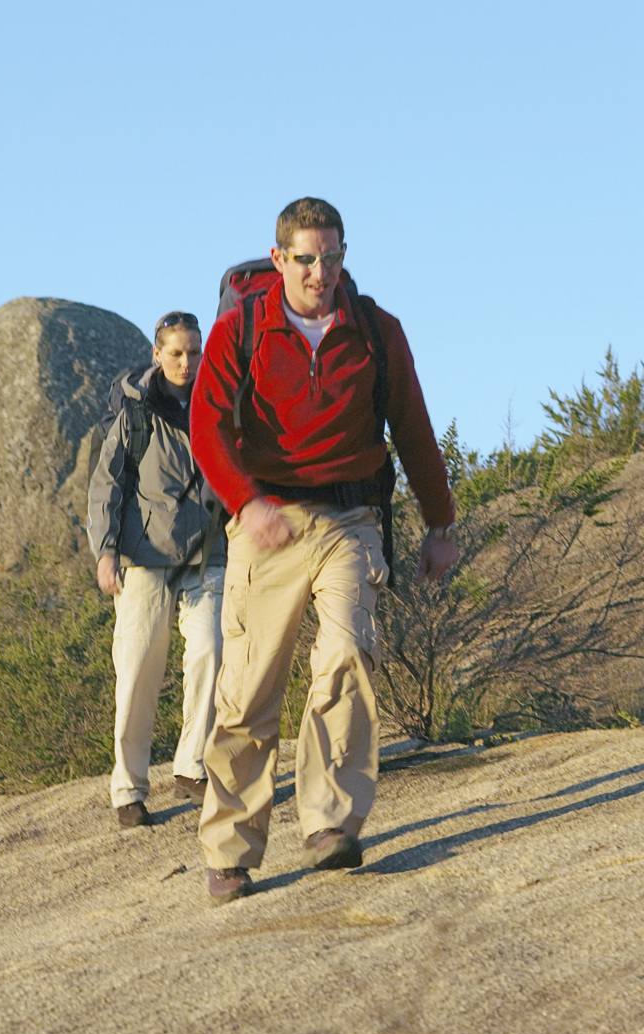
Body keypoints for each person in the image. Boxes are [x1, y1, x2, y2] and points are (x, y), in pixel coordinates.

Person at [190, 197, 459, 902]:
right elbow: (208, 428)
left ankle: (331, 825)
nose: (321, 271)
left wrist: (441, 523)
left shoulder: (375, 331)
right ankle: (230, 850)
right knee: (249, 691)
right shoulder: (238, 331)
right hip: (266, 519)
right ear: (278, 259)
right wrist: (247, 503)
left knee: (346, 658)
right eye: (306, 258)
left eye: (333, 257)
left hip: (350, 520)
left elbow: (413, 427)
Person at [88, 312, 225, 827]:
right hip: (144, 559)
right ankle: (128, 788)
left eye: (194, 351)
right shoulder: (135, 416)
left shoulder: (219, 405)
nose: (187, 362)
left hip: (210, 553)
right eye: (176, 353)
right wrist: (104, 552)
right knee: (138, 669)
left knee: (212, 649)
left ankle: (192, 765)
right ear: (157, 355)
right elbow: (107, 486)